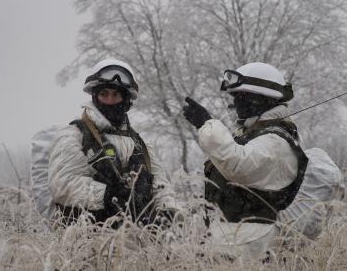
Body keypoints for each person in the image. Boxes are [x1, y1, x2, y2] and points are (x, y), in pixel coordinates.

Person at [182, 62, 308, 258]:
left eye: (241, 96)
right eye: (234, 97)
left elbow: (237, 165)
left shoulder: (276, 140)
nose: (235, 103)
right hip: (233, 241)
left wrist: (206, 124)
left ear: (261, 98)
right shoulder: (254, 135)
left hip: (250, 245)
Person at [48, 59, 178, 226]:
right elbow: (62, 184)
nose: (109, 100)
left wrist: (168, 212)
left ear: (126, 100)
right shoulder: (73, 136)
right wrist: (107, 195)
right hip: (86, 243)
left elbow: (160, 185)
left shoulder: (140, 144)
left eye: (115, 95)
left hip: (141, 243)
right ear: (95, 96)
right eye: (104, 94)